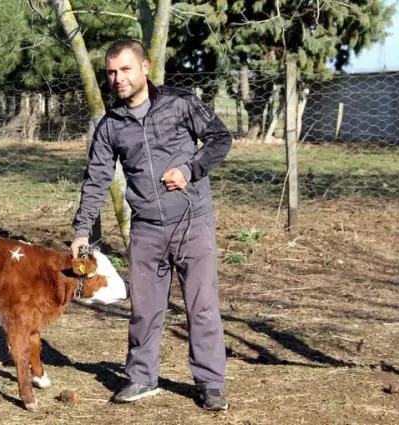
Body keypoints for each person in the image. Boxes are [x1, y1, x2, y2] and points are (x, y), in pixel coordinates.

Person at [70, 39, 232, 411]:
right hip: (145, 227)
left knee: (202, 306)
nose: (118, 78)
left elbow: (221, 138)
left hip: (192, 222)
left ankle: (210, 383)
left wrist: (191, 170)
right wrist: (82, 231)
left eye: (125, 69)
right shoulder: (111, 124)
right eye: (112, 72)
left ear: (145, 68)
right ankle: (142, 377)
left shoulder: (180, 103)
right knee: (143, 307)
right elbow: (96, 177)